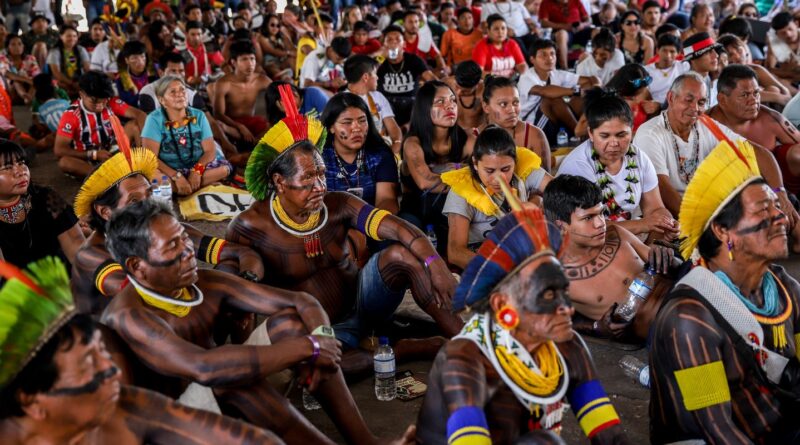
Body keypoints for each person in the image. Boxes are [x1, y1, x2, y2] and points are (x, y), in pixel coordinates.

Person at [103, 200, 412, 445]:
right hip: (168, 425)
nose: (187, 252)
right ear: (137, 266)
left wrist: (323, 338)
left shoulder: (205, 283)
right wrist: (310, 347)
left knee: (291, 324)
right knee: (234, 381)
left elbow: (301, 302)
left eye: (184, 239)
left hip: (213, 391)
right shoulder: (131, 315)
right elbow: (206, 367)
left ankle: (366, 441)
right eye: (172, 247)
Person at [228, 85, 463, 372]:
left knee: (401, 255)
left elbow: (398, 227)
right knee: (321, 367)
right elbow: (238, 293)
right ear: (279, 182)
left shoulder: (337, 203)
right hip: (323, 330)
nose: (320, 187)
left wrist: (435, 263)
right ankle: (409, 349)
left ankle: (470, 341)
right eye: (309, 178)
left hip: (366, 300)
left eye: (322, 175)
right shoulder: (249, 226)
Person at [0, 257, 285, 445]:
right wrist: (306, 348)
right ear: (31, 401)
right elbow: (203, 365)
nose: (111, 369)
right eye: (88, 364)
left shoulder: (124, 406)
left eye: (101, 352)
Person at [416, 205, 631, 444]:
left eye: (564, 291)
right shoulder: (464, 359)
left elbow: (609, 435)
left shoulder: (568, 346)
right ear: (502, 304)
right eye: (548, 295)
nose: (568, 308)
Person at [650, 133, 800, 443]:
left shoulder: (787, 289)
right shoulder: (688, 319)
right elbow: (717, 430)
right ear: (722, 230)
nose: (780, 217)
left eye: (776, 206)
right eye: (763, 211)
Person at [71, 147, 264, 317]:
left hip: (163, 325)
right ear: (106, 212)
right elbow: (148, 298)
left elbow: (241, 253)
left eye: (149, 195)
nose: (148, 206)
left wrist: (247, 280)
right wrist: (227, 290)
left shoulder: (163, 229)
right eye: (135, 202)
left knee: (230, 269)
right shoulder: (92, 254)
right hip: (117, 347)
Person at [634, 72, 799, 227]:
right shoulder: (650, 133)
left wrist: (780, 193)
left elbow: (759, 153)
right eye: (688, 100)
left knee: (768, 200)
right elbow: (661, 188)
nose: (695, 108)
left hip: (706, 208)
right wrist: (705, 225)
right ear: (671, 98)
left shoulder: (706, 124)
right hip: (669, 216)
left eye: (701, 102)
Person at [544, 174, 676, 341]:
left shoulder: (617, 234)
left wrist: (665, 254)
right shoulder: (555, 278)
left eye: (601, 213)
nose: (601, 223)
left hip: (684, 292)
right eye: (588, 218)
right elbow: (553, 322)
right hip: (664, 330)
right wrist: (597, 327)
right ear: (561, 226)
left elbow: (669, 266)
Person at [559, 89, 677, 242]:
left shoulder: (639, 157)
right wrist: (643, 225)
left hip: (632, 239)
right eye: (605, 136)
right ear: (590, 133)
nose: (614, 143)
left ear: (632, 131)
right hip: (588, 243)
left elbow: (656, 209)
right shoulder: (578, 166)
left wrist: (664, 228)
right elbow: (589, 228)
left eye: (622, 135)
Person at [443, 125, 551, 269]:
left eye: (506, 169)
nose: (498, 178)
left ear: (515, 161)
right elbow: (455, 252)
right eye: (490, 171)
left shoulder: (524, 170)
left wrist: (537, 201)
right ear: (475, 163)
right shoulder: (462, 191)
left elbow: (559, 191)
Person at [400, 81, 476, 251]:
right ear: (425, 109)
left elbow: (483, 175)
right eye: (440, 102)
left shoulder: (467, 140)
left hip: (455, 210)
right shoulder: (413, 143)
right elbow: (426, 182)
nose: (450, 106)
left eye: (452, 100)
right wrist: (462, 177)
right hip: (416, 210)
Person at [709, 64, 800, 206]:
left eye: (756, 93)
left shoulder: (771, 118)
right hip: (730, 195)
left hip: (779, 187)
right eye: (744, 95)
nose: (754, 100)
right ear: (722, 99)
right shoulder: (704, 125)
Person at [142, 76, 231, 197]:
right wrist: (177, 176)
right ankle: (195, 185)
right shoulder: (154, 119)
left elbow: (210, 151)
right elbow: (150, 157)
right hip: (169, 169)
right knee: (157, 179)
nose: (180, 94)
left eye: (182, 90)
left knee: (224, 170)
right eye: (173, 92)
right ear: (162, 100)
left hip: (198, 166)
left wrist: (196, 171)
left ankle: (185, 187)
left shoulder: (198, 115)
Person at [0, 139, 83, 267]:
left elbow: (76, 244)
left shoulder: (47, 197)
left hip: (61, 278)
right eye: (7, 167)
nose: (20, 171)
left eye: (21, 163)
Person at [54, 71, 146, 178]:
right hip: (87, 158)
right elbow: (59, 150)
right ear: (82, 94)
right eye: (94, 101)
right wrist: (94, 155)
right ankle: (108, 176)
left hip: (113, 151)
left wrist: (145, 143)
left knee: (134, 125)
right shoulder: (71, 115)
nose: (100, 106)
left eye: (104, 101)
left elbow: (140, 114)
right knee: (65, 162)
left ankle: (143, 161)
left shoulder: (111, 102)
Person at [320, 92, 399, 212]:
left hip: (372, 225)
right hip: (330, 224)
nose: (357, 128)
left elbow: (387, 200)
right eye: (347, 122)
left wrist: (369, 225)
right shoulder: (318, 158)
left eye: (362, 120)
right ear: (331, 127)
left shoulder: (380, 155)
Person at [522, 39, 597, 143]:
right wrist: (575, 91)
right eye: (543, 55)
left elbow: (590, 81)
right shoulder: (526, 77)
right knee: (552, 99)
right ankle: (580, 133)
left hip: (556, 125)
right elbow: (544, 91)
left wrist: (596, 86)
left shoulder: (556, 74)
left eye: (552, 54)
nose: (549, 58)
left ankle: (585, 129)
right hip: (533, 127)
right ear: (532, 59)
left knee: (585, 96)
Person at [481, 76, 551, 171]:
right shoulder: (474, 138)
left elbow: (546, 182)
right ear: (486, 107)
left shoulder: (534, 135)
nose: (511, 110)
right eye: (503, 104)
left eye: (515, 103)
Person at [213, 40, 272, 146]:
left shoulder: (262, 80)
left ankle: (255, 144)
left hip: (253, 123)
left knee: (277, 124)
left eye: (252, 59)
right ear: (233, 62)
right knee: (218, 125)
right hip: (232, 125)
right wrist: (240, 126)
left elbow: (280, 96)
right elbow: (218, 114)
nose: (250, 64)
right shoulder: (223, 83)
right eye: (244, 59)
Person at [377, 25, 436, 127]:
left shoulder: (413, 60)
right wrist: (381, 58)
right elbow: (367, 76)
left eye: (397, 40)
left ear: (404, 44)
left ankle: (407, 129)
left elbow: (430, 78)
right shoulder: (379, 61)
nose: (393, 43)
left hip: (411, 102)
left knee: (421, 106)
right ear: (384, 44)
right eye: (389, 40)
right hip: (387, 102)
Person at [343, 55, 403, 155]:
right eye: (375, 73)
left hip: (382, 150)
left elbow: (393, 129)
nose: (377, 77)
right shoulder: (341, 102)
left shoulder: (378, 97)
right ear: (366, 77)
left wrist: (395, 146)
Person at [717, 34, 791, 106]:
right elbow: (741, 96)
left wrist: (784, 98)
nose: (737, 56)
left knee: (774, 89)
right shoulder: (724, 76)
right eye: (730, 55)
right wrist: (776, 97)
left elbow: (784, 90)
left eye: (739, 51)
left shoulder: (755, 69)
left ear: (745, 50)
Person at [603, 64, 660, 134]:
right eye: (632, 97)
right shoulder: (608, 101)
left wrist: (656, 107)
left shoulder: (644, 92)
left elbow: (653, 117)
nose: (636, 99)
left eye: (640, 93)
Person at [539, 0, 591, 69]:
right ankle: (565, 69)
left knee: (598, 31)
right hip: (561, 32)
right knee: (562, 34)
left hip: (579, 30)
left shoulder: (576, 1)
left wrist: (583, 25)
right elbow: (544, 23)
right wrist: (563, 26)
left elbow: (589, 20)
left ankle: (598, 65)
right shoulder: (546, 2)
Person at [471, 14, 526, 78]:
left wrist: (515, 77)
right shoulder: (481, 46)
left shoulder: (512, 44)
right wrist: (499, 80)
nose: (500, 32)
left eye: (503, 28)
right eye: (496, 29)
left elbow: (522, 65)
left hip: (511, 81)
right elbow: (479, 72)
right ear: (488, 31)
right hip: (490, 83)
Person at [47, 25, 90, 98]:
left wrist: (82, 83)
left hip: (79, 81)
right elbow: (56, 73)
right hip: (62, 82)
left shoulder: (81, 49)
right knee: (58, 85)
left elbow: (87, 69)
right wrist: (72, 83)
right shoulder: (54, 52)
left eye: (74, 36)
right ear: (61, 37)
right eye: (68, 36)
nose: (72, 38)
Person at [682, 32, 723, 108]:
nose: (716, 55)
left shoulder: (706, 77)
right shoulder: (687, 85)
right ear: (693, 59)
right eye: (708, 52)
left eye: (714, 51)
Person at [645, 34, 689, 103]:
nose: (668, 55)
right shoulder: (646, 71)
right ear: (657, 50)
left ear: (678, 53)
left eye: (672, 52)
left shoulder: (684, 66)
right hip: (653, 109)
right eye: (664, 50)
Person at [180, 20, 224, 90]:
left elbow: (222, 64)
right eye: (193, 34)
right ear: (186, 34)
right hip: (186, 87)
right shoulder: (180, 50)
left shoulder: (209, 47)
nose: (196, 38)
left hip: (209, 86)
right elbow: (176, 73)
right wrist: (189, 79)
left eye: (199, 34)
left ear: (202, 34)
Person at [401, 9, 447, 76]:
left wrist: (442, 69)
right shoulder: (398, 40)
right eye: (410, 22)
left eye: (416, 21)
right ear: (404, 24)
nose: (414, 25)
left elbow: (438, 56)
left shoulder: (424, 37)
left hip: (424, 73)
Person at [266, 81, 330, 126]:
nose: (293, 95)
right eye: (282, 100)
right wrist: (290, 114)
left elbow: (330, 118)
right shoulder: (280, 117)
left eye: (292, 92)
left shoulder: (312, 93)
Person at [115, 41, 158, 108]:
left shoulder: (155, 71)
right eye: (134, 58)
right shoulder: (121, 79)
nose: (140, 62)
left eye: (142, 56)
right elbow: (128, 102)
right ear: (127, 60)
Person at [446, 60, 485, 130]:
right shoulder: (447, 83)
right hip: (453, 134)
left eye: (465, 92)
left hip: (476, 135)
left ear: (477, 85)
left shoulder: (485, 91)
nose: (458, 93)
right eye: (457, 86)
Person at [766, 12, 800, 87]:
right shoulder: (774, 42)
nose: (788, 34)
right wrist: (791, 73)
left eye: (790, 29)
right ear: (777, 34)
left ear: (796, 24)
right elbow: (769, 70)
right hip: (788, 80)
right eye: (783, 33)